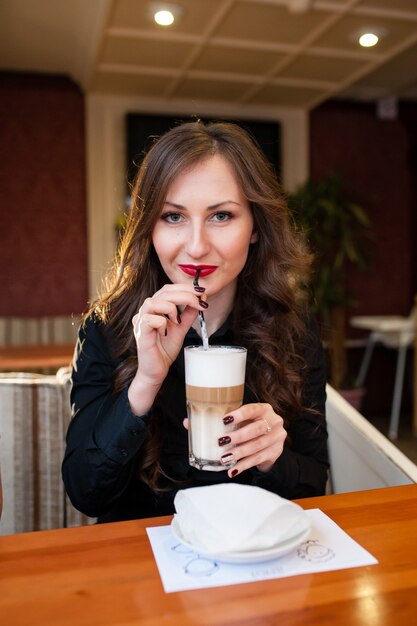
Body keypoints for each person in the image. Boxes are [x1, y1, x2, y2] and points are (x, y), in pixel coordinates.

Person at [62, 120, 329, 523]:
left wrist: (274, 459)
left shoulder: (292, 328)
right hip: (140, 564)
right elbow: (85, 493)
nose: (197, 245)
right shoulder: (107, 327)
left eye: (221, 216)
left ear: (255, 227)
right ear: (149, 227)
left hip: (249, 553)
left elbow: (314, 483)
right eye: (173, 217)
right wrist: (146, 382)